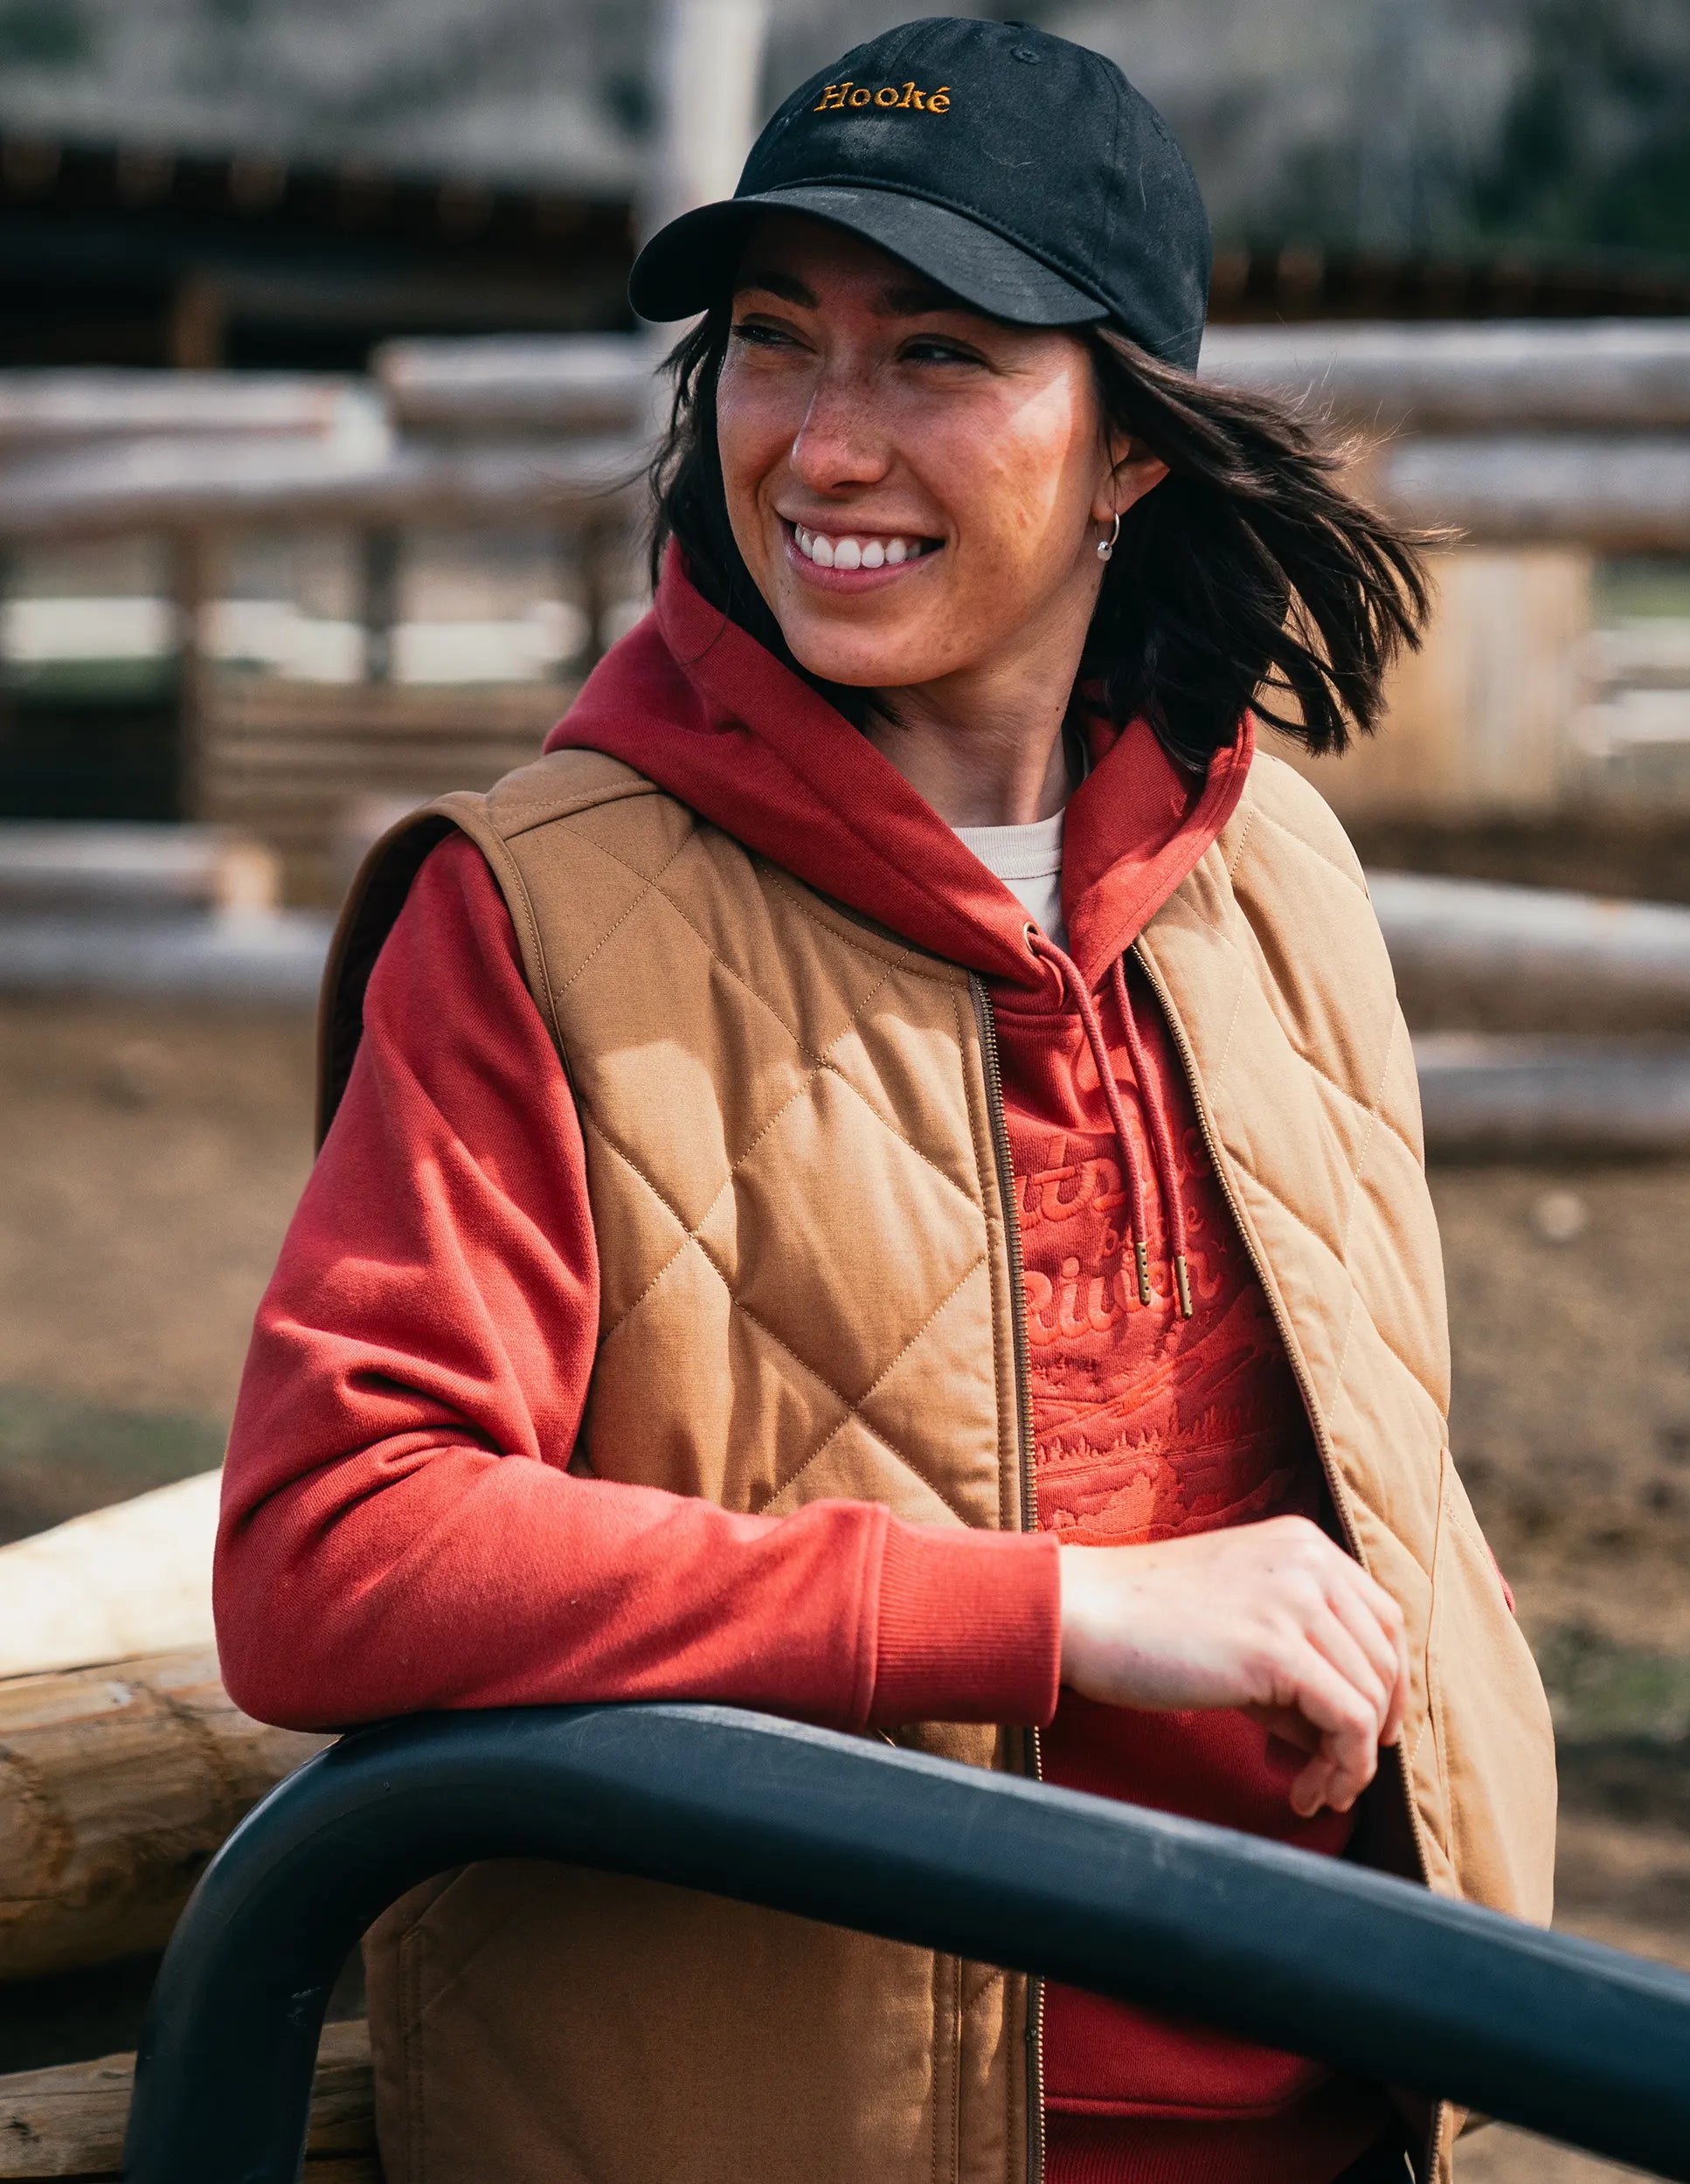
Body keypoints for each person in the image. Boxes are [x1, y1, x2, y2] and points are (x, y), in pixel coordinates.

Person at [216, 17, 1555, 2184]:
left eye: (937, 354)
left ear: (1130, 441)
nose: (824, 444)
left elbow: (1384, 1456)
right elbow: (328, 1552)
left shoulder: (1273, 869)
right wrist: (1051, 1605)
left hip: (1355, 2107)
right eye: (772, 342)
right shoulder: (534, 916)